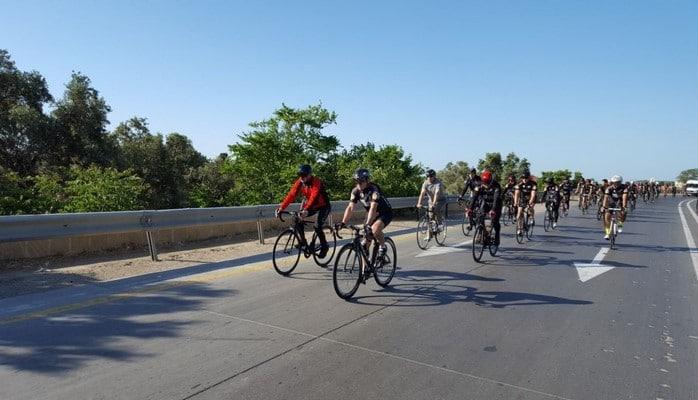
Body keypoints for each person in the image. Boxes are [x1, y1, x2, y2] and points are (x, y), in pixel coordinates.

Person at [276, 164, 332, 257]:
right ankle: (303, 241)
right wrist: (282, 208)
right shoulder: (300, 182)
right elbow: (291, 195)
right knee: (296, 218)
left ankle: (324, 246)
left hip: (323, 206)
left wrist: (306, 209)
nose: (302, 178)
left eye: (305, 175)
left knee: (317, 227)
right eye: (301, 175)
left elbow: (313, 197)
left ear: (310, 175)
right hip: (311, 206)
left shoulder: (316, 182)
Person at [338, 168, 393, 258]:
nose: (358, 184)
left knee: (373, 230)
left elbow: (373, 207)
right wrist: (343, 222)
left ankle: (383, 246)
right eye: (356, 182)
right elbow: (350, 207)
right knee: (364, 246)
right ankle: (365, 270)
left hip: (384, 212)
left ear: (367, 181)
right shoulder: (355, 191)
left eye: (361, 182)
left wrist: (367, 225)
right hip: (371, 213)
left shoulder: (374, 189)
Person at [468, 170, 502, 245]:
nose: (485, 184)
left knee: (495, 221)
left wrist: (493, 210)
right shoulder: (479, 185)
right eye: (484, 182)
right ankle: (481, 232)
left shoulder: (496, 186)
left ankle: (497, 235)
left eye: (487, 182)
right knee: (479, 216)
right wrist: (470, 208)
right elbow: (474, 197)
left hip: (496, 204)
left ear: (490, 180)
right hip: (485, 202)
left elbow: (496, 199)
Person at [416, 169, 446, 234]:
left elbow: (436, 193)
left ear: (434, 176)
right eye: (428, 176)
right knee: (430, 216)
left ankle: (440, 225)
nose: (429, 178)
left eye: (430, 176)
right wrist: (419, 203)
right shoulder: (425, 183)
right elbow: (422, 193)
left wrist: (434, 204)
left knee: (436, 210)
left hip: (440, 200)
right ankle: (430, 233)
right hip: (431, 201)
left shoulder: (438, 183)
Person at [602, 175, 628, 239]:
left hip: (621, 202)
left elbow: (624, 197)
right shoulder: (609, 188)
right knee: (607, 217)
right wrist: (604, 207)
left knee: (622, 215)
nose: (616, 184)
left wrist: (624, 207)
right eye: (614, 182)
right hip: (612, 202)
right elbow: (606, 198)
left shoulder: (624, 188)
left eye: (617, 182)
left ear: (620, 182)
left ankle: (620, 224)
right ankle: (608, 233)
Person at [514, 169, 537, 236]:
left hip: (531, 197)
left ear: (529, 178)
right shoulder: (519, 183)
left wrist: (530, 202)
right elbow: (517, 194)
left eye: (526, 178)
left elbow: (533, 195)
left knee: (531, 207)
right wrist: (515, 202)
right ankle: (519, 229)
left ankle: (532, 218)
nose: (524, 179)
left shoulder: (533, 184)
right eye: (523, 178)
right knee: (519, 213)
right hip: (523, 198)